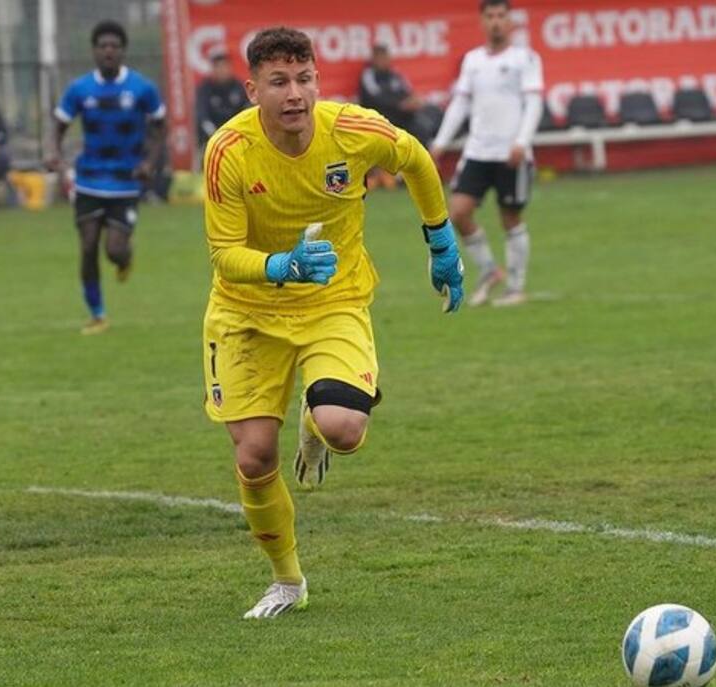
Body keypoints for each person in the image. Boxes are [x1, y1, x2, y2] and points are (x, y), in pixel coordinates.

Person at [202, 26, 464, 620]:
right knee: (254, 458)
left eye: (304, 79)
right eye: (278, 82)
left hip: (333, 302)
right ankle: (287, 582)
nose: (294, 94)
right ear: (252, 90)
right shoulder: (227, 152)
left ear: (318, 80)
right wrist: (281, 264)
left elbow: (417, 159)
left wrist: (440, 238)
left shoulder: (353, 129)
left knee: (342, 428)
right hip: (247, 312)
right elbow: (224, 254)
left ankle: (318, 418)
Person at [48, 20, 166, 335]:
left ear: (123, 50)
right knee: (87, 247)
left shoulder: (142, 88)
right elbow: (58, 126)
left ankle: (125, 257)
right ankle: (98, 315)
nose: (109, 51)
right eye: (103, 46)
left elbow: (159, 126)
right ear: (95, 51)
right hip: (88, 180)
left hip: (126, 182)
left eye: (114, 46)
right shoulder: (80, 89)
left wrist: (149, 162)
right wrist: (53, 153)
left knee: (113, 250)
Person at [430, 0, 544, 307]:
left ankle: (516, 288)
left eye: (501, 16)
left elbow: (534, 103)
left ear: (510, 22)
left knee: (510, 218)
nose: (495, 22)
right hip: (478, 151)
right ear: (482, 21)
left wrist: (522, 140)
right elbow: (460, 104)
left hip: (511, 152)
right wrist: (440, 142)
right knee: (458, 212)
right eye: (490, 16)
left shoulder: (526, 58)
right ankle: (490, 270)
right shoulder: (473, 60)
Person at [196, 48, 249, 150]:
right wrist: (215, 135)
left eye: (224, 66)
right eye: (218, 66)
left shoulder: (239, 86)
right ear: (213, 69)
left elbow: (247, 110)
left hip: (237, 134)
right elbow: (202, 115)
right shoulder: (204, 89)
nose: (222, 70)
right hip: (212, 136)